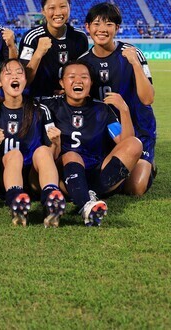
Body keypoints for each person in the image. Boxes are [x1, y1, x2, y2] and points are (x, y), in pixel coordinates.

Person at [0, 59, 66, 227]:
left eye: (20, 73)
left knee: (42, 150)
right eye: (8, 73)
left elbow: (53, 155)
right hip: (5, 177)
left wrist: (56, 143)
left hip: (34, 178)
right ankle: (15, 200)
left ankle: (51, 198)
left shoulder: (40, 110)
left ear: (25, 80)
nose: (15, 76)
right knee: (14, 155)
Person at [42, 61, 143, 226]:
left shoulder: (102, 109)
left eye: (84, 77)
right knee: (72, 155)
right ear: (62, 83)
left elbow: (125, 143)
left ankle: (89, 194)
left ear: (91, 83)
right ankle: (86, 204)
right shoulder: (49, 106)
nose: (78, 81)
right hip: (65, 176)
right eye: (72, 77)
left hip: (99, 173)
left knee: (135, 144)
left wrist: (124, 110)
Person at [78, 2, 157, 196]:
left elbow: (147, 99)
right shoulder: (83, 62)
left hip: (139, 128)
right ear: (87, 27)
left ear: (117, 28)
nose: (102, 29)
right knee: (108, 179)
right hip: (107, 132)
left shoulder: (132, 53)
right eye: (96, 24)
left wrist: (135, 64)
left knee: (135, 188)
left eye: (109, 24)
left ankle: (148, 165)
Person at [18, 0, 89, 98]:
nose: (58, 13)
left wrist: (69, 91)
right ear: (43, 11)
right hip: (39, 101)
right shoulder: (31, 38)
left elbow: (84, 74)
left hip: (70, 102)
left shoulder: (79, 37)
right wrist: (38, 53)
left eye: (63, 6)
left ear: (70, 7)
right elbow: (23, 81)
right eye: (52, 8)